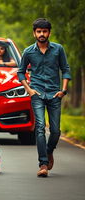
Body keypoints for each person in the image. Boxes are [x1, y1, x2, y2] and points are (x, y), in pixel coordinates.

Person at [17, 18, 71, 177]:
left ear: (49, 32)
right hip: (37, 94)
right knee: (40, 127)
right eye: (39, 31)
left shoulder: (58, 49)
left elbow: (65, 69)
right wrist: (29, 89)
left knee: (55, 131)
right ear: (34, 33)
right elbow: (20, 72)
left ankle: (49, 151)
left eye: (44, 31)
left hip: (55, 94)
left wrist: (63, 90)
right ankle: (43, 164)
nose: (42, 34)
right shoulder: (28, 52)